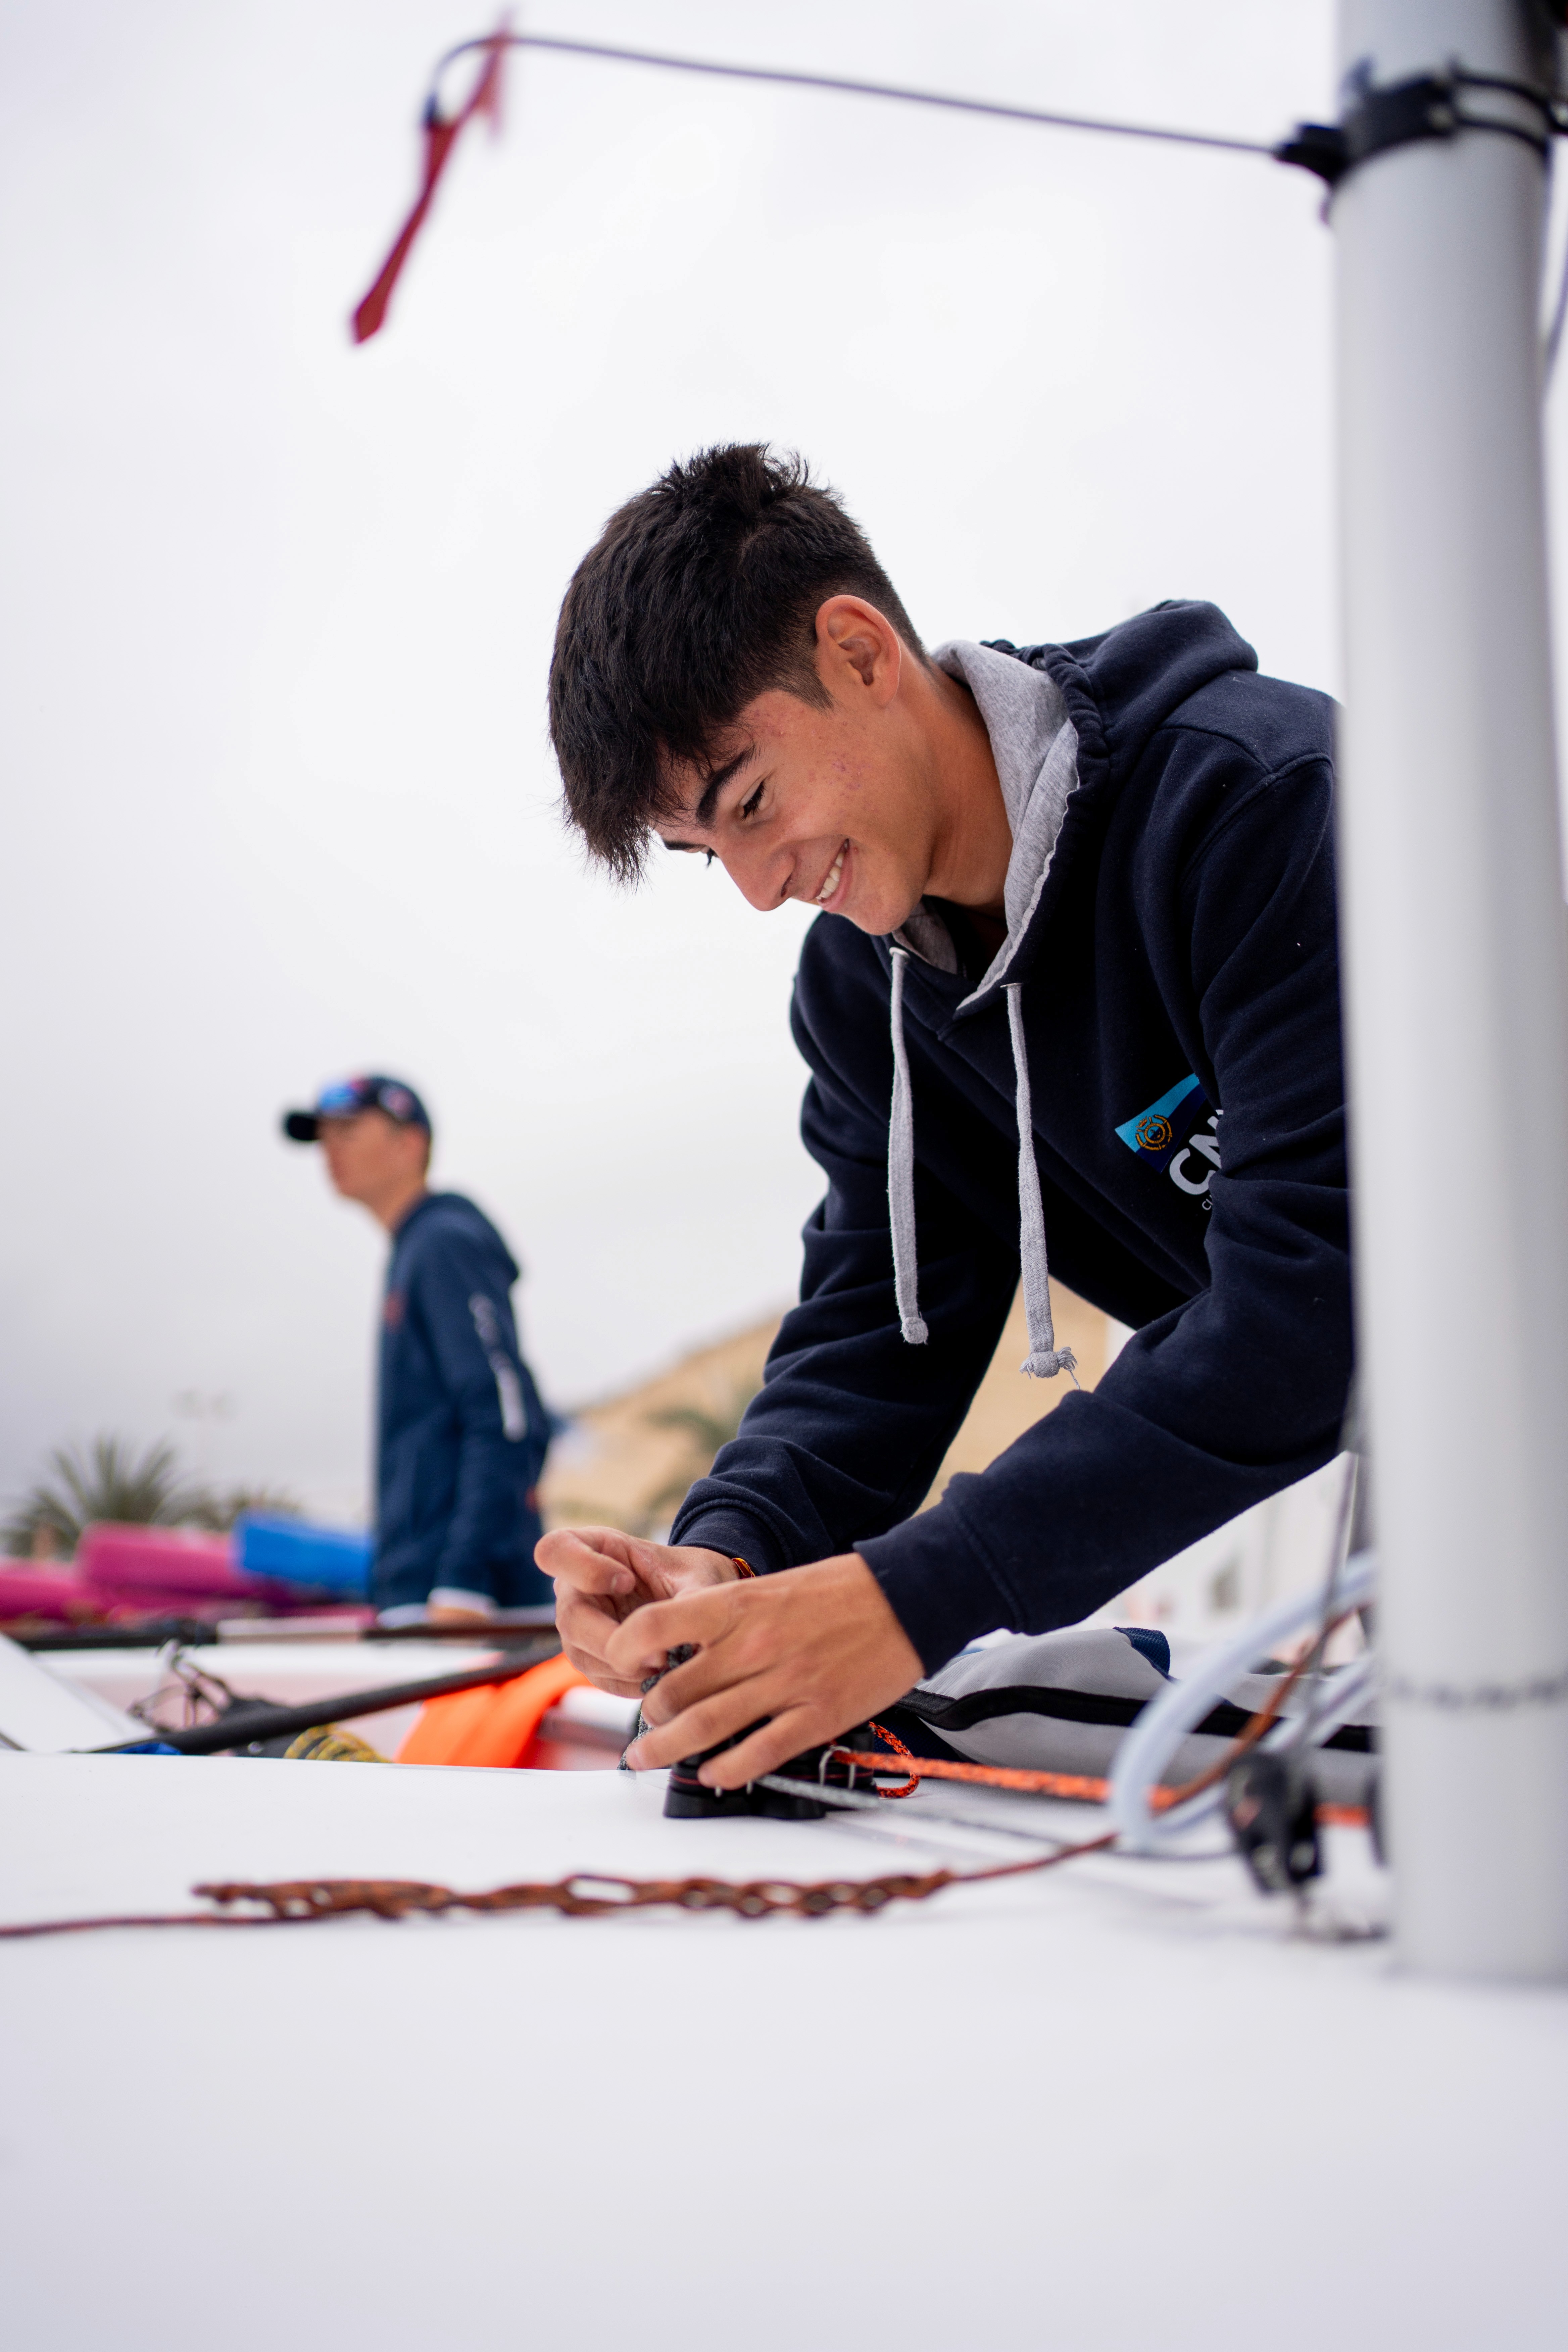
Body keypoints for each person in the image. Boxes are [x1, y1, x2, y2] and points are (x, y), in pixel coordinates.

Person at [539, 443, 1350, 1788]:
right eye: (707, 854)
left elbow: (1312, 1302)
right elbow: (880, 1327)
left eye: (753, 803)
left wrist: (912, 1599)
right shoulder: (863, 996)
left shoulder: (1257, 806)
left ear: (860, 653)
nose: (758, 887)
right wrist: (728, 1552)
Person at [282, 1073, 552, 1622]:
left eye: (348, 1132)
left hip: (460, 1606)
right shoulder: (416, 1250)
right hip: (424, 1593)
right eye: (324, 1137)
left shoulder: (442, 1243)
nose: (330, 1150)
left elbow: (507, 1416)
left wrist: (464, 1582)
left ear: (410, 1144)